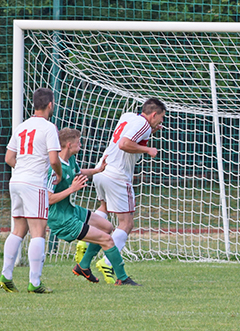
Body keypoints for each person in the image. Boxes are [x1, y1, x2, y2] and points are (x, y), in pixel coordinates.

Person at [86, 98, 166, 283]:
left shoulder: (128, 117)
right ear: (153, 114)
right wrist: (147, 149)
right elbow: (124, 144)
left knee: (103, 210)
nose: (160, 123)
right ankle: (107, 261)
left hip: (101, 170)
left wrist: (150, 133)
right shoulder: (144, 124)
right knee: (126, 224)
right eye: (160, 119)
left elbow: (127, 138)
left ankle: (84, 255)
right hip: (117, 176)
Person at [47, 128, 140, 286]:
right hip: (61, 219)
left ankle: (83, 266)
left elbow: (78, 172)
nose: (81, 145)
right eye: (78, 142)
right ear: (69, 145)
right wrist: (72, 189)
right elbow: (47, 199)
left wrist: (97, 170)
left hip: (71, 210)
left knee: (107, 226)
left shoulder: (70, 161)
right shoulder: (53, 169)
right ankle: (123, 278)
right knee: (108, 240)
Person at [0, 87, 62, 294]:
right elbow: (53, 159)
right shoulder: (49, 127)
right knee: (38, 231)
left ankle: (6, 276)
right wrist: (58, 174)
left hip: (16, 181)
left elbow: (9, 159)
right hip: (34, 183)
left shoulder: (22, 127)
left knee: (18, 229)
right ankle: (35, 282)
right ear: (50, 104)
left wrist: (23, 169)